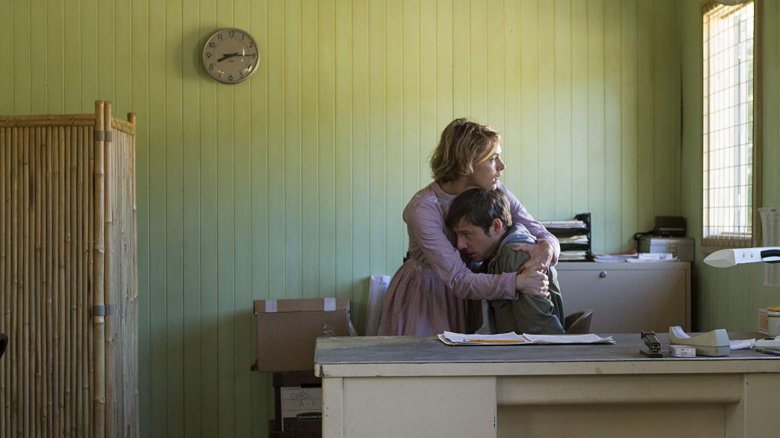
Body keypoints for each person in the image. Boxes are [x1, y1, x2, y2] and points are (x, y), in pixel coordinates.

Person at [378, 118, 560, 336]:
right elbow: (457, 279)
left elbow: (539, 230)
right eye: (493, 159)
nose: (502, 166)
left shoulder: (494, 189)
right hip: (428, 296)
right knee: (431, 364)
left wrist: (547, 248)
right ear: (467, 163)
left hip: (471, 292)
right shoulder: (423, 209)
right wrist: (516, 282)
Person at [445, 187, 565, 334]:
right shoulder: (493, 256)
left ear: (496, 226)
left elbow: (541, 334)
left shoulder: (517, 255)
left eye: (467, 234)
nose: (460, 245)